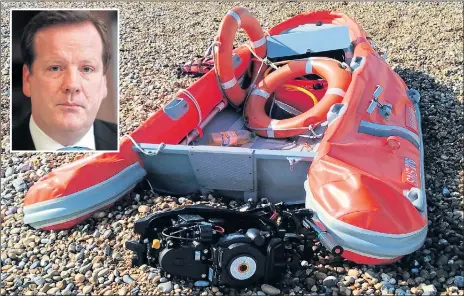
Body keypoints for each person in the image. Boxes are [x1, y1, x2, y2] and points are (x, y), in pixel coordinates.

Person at [11, 10, 117, 151]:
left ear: (104, 84)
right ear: (27, 79)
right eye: (55, 68)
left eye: (86, 69)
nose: (72, 85)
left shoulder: (133, 143)